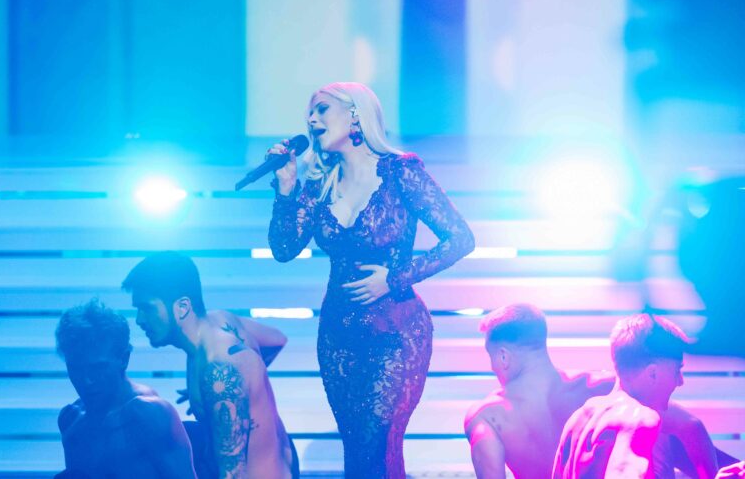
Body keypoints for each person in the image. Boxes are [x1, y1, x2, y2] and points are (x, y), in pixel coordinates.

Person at [267, 82, 475, 478]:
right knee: (357, 452)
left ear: (355, 114)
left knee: (376, 444)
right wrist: (287, 188)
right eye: (309, 112)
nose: (311, 119)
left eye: (322, 109)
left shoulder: (400, 172)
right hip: (339, 335)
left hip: (396, 330)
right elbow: (284, 248)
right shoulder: (318, 185)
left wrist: (394, 279)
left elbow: (460, 239)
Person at [122, 251, 298, 479]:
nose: (139, 320)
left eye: (148, 308)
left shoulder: (218, 370)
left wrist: (226, 387)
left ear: (182, 307)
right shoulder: (222, 322)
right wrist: (242, 385)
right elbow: (277, 340)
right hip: (286, 463)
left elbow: (233, 475)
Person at [552, 314, 719, 479]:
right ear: (652, 374)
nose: (680, 381)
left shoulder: (578, 420)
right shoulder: (640, 418)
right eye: (677, 371)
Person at [464, 304, 616, 479]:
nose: (492, 367)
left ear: (503, 356)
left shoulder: (488, 416)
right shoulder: (604, 387)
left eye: (491, 357)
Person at [55, 300, 197, 479]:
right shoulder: (71, 419)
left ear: (124, 359)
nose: (86, 380)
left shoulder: (150, 415)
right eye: (75, 368)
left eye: (98, 368)